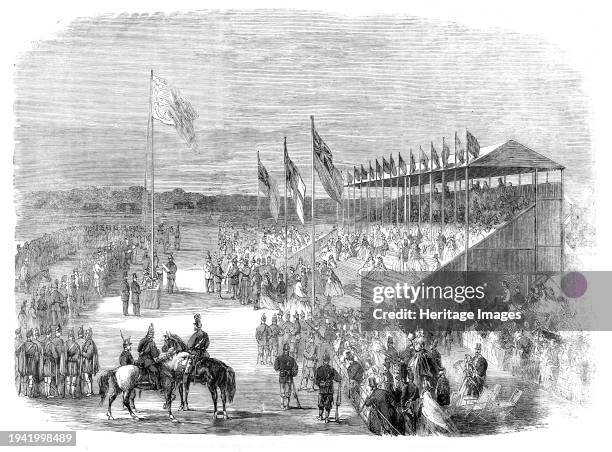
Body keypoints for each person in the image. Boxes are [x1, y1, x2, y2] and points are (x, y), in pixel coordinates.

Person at [315, 353, 341, 423]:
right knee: (328, 404)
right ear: (328, 360)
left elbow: (316, 380)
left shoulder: (319, 369)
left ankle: (320, 416)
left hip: (321, 390)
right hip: (329, 390)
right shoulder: (331, 369)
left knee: (321, 403)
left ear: (323, 360)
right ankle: (326, 418)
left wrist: (321, 384)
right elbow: (338, 378)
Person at [184, 314, 210, 379]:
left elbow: (189, 346)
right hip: (204, 353)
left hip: (196, 353)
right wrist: (203, 348)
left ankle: (188, 373)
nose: (194, 328)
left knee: (188, 360)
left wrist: (190, 351)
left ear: (196, 327)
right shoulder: (205, 334)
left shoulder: (195, 335)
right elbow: (207, 344)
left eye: (194, 326)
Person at [274, 343, 299, 410]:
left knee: (285, 392)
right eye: (286, 350)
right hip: (286, 377)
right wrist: (291, 372)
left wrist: (291, 372)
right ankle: (284, 405)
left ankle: (285, 405)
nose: (286, 351)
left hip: (285, 377)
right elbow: (276, 367)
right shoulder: (291, 359)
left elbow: (276, 368)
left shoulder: (280, 358)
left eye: (286, 350)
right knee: (285, 391)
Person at [137, 324, 161, 390]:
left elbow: (138, 349)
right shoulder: (152, 343)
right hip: (147, 361)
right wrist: (158, 351)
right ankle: (157, 386)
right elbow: (155, 354)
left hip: (140, 360)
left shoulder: (142, 340)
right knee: (156, 371)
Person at [16, 328, 40, 398]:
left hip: (25, 363)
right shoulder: (34, 345)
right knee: (31, 378)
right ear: (31, 336)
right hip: (32, 363)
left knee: (26, 378)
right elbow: (37, 357)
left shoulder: (23, 345)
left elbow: (17, 353)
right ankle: (30, 393)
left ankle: (25, 393)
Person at [80, 327, 99, 397]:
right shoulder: (88, 342)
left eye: (87, 334)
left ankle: (90, 392)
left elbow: (88, 355)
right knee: (88, 378)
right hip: (87, 363)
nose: (86, 335)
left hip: (88, 363)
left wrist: (81, 353)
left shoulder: (90, 343)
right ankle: (89, 391)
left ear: (90, 335)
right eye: (86, 333)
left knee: (87, 378)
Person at [64, 328, 81, 398]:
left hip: (68, 364)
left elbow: (64, 355)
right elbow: (78, 355)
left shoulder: (65, 344)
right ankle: (72, 394)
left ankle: (68, 394)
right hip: (74, 364)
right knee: (73, 380)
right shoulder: (76, 345)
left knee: (68, 380)